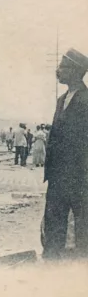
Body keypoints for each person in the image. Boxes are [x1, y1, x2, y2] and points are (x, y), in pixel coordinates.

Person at [42, 48, 88, 259]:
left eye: (62, 67)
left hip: (80, 177)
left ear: (75, 71)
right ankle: (51, 264)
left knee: (83, 226)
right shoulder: (62, 99)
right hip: (58, 176)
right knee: (53, 223)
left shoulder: (86, 100)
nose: (58, 71)